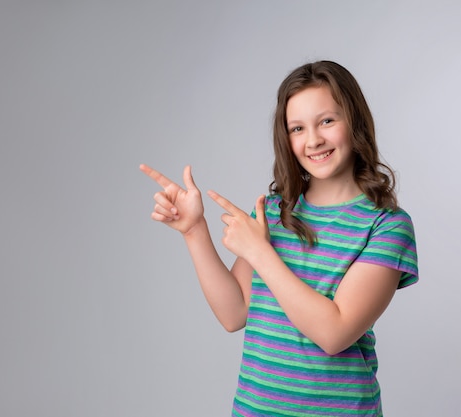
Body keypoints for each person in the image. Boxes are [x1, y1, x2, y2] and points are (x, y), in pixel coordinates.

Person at [140, 60, 418, 416]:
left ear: (355, 122)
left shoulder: (387, 225)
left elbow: (334, 333)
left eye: (327, 121)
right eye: (297, 128)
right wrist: (195, 231)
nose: (313, 139)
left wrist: (261, 253)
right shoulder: (274, 212)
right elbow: (234, 313)